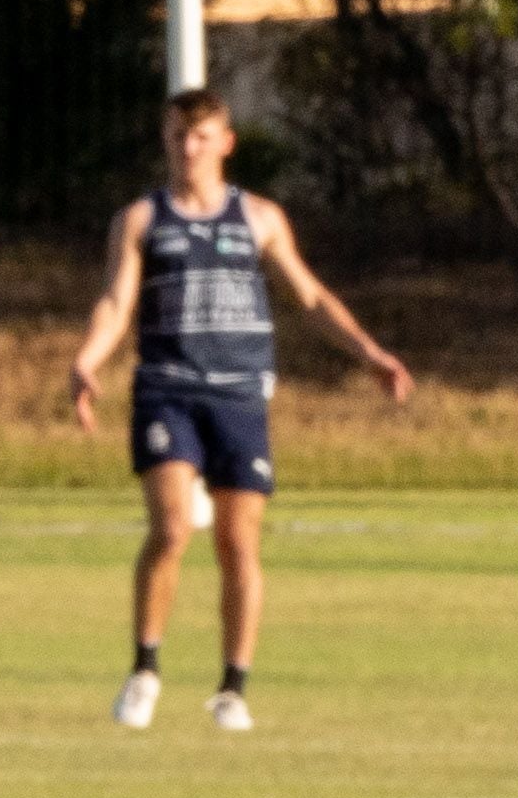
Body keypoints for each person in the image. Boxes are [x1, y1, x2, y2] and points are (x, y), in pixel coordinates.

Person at [59, 90, 410, 733]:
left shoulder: (260, 218)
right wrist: (87, 360)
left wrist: (369, 353)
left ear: (226, 143)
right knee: (170, 529)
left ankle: (232, 689)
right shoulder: (141, 219)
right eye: (176, 136)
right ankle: (144, 670)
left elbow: (310, 297)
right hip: (167, 388)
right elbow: (116, 302)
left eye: (200, 136)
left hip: (240, 395)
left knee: (236, 540)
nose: (187, 148)